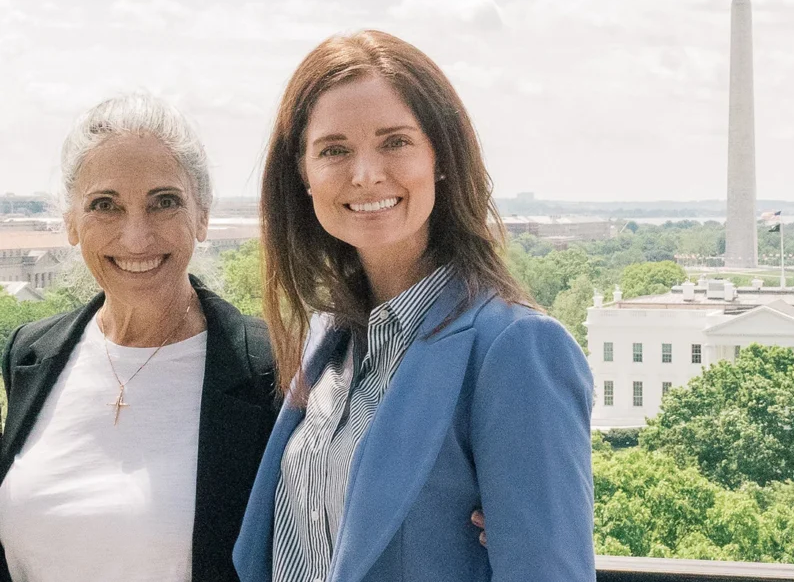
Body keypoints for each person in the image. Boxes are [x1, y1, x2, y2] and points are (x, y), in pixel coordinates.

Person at [234, 30, 596, 582]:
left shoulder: (515, 349)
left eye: (395, 142)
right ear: (303, 175)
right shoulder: (324, 341)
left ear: (441, 158)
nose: (366, 173)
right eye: (334, 150)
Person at [0, 94, 279, 582]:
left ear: (202, 216)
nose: (135, 238)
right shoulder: (31, 354)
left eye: (164, 202)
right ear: (70, 222)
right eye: (104, 205)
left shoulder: (275, 368)